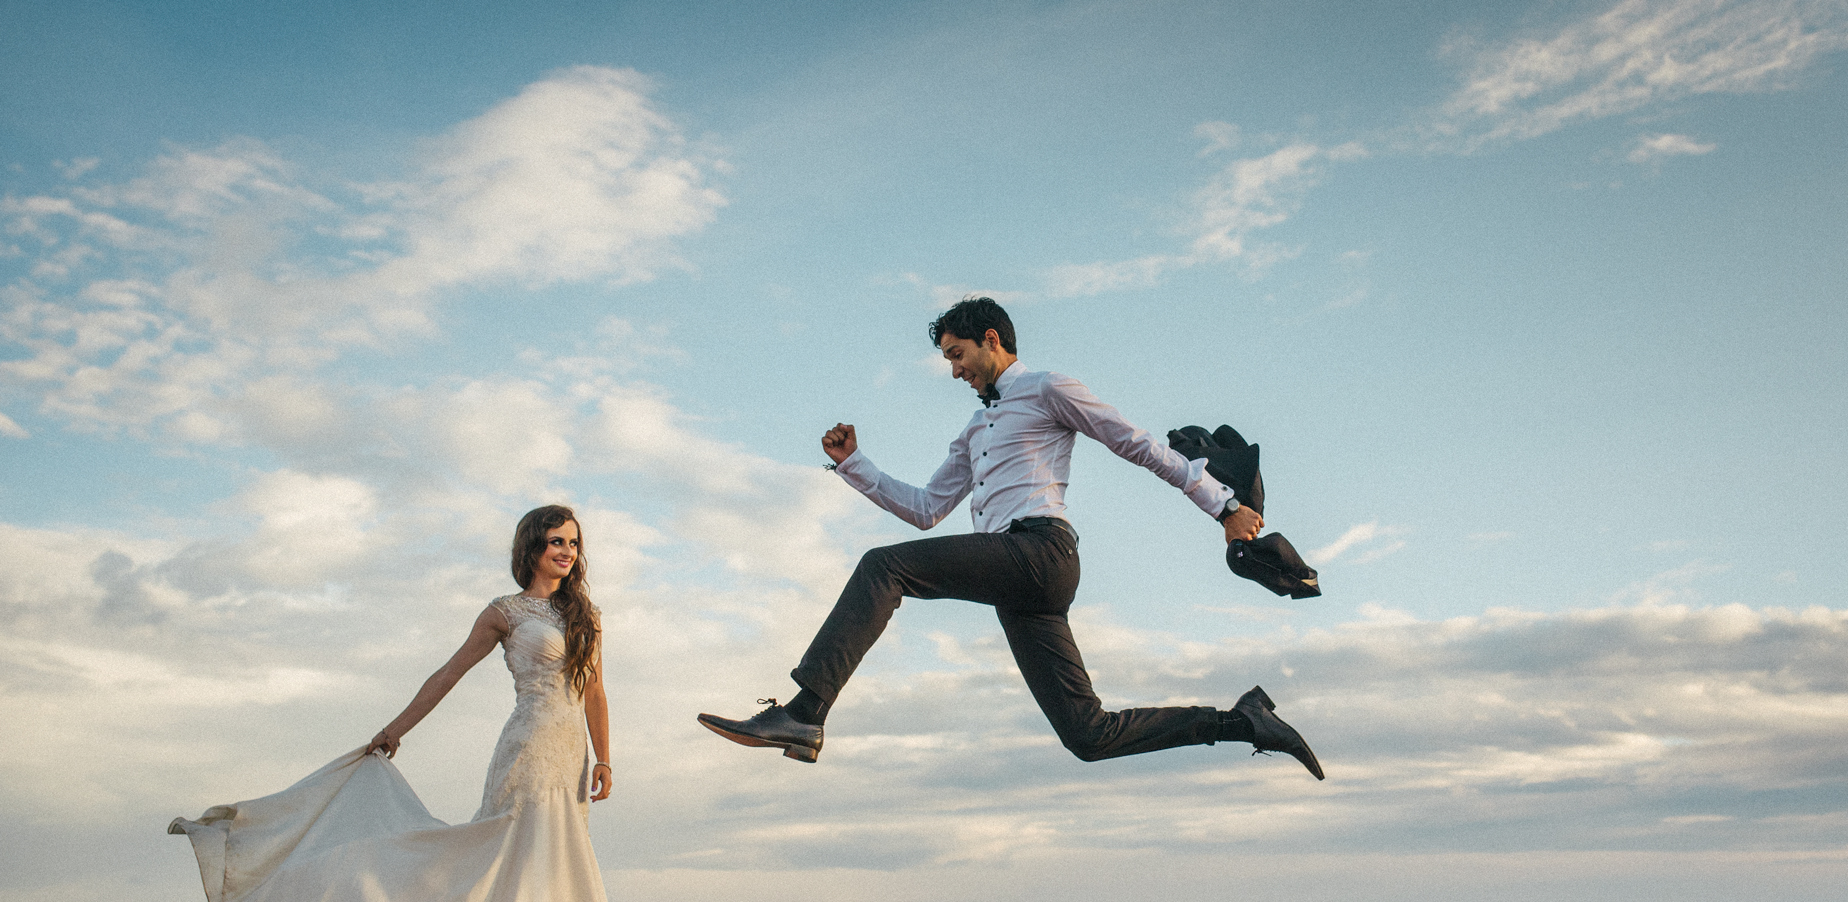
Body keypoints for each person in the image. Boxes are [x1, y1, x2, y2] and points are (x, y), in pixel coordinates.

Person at [699, 297, 1322, 779]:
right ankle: (1241, 723)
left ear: (990, 338)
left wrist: (1222, 506)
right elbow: (924, 510)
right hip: (1016, 579)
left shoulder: (1048, 388)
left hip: (1041, 550)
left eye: (955, 353)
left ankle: (804, 715)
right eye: (947, 358)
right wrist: (855, 464)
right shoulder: (976, 428)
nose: (953, 369)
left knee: (882, 569)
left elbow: (1135, 444)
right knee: (1088, 735)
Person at [170, 505, 614, 901]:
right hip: (530, 748)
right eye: (557, 541)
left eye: (573, 543)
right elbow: (448, 674)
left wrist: (604, 759)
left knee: (559, 854)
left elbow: (593, 690)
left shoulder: (583, 613)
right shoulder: (505, 612)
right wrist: (394, 730)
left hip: (572, 754)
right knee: (513, 844)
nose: (567, 551)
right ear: (533, 546)